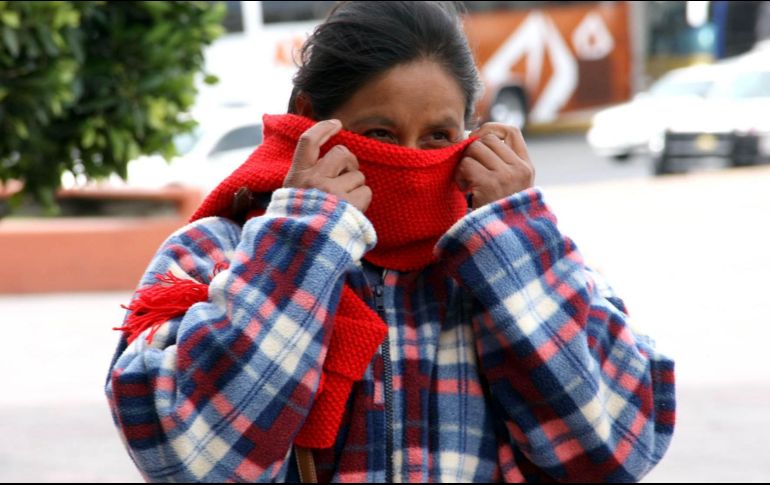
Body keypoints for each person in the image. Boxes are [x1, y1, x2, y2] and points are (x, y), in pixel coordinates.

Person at [105, 1, 675, 482]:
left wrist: (514, 239)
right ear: (310, 119)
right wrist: (301, 244)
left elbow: (620, 449)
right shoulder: (218, 253)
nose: (410, 159)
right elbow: (186, 458)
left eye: (438, 136)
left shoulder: (508, 257)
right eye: (379, 134)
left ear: (471, 132)